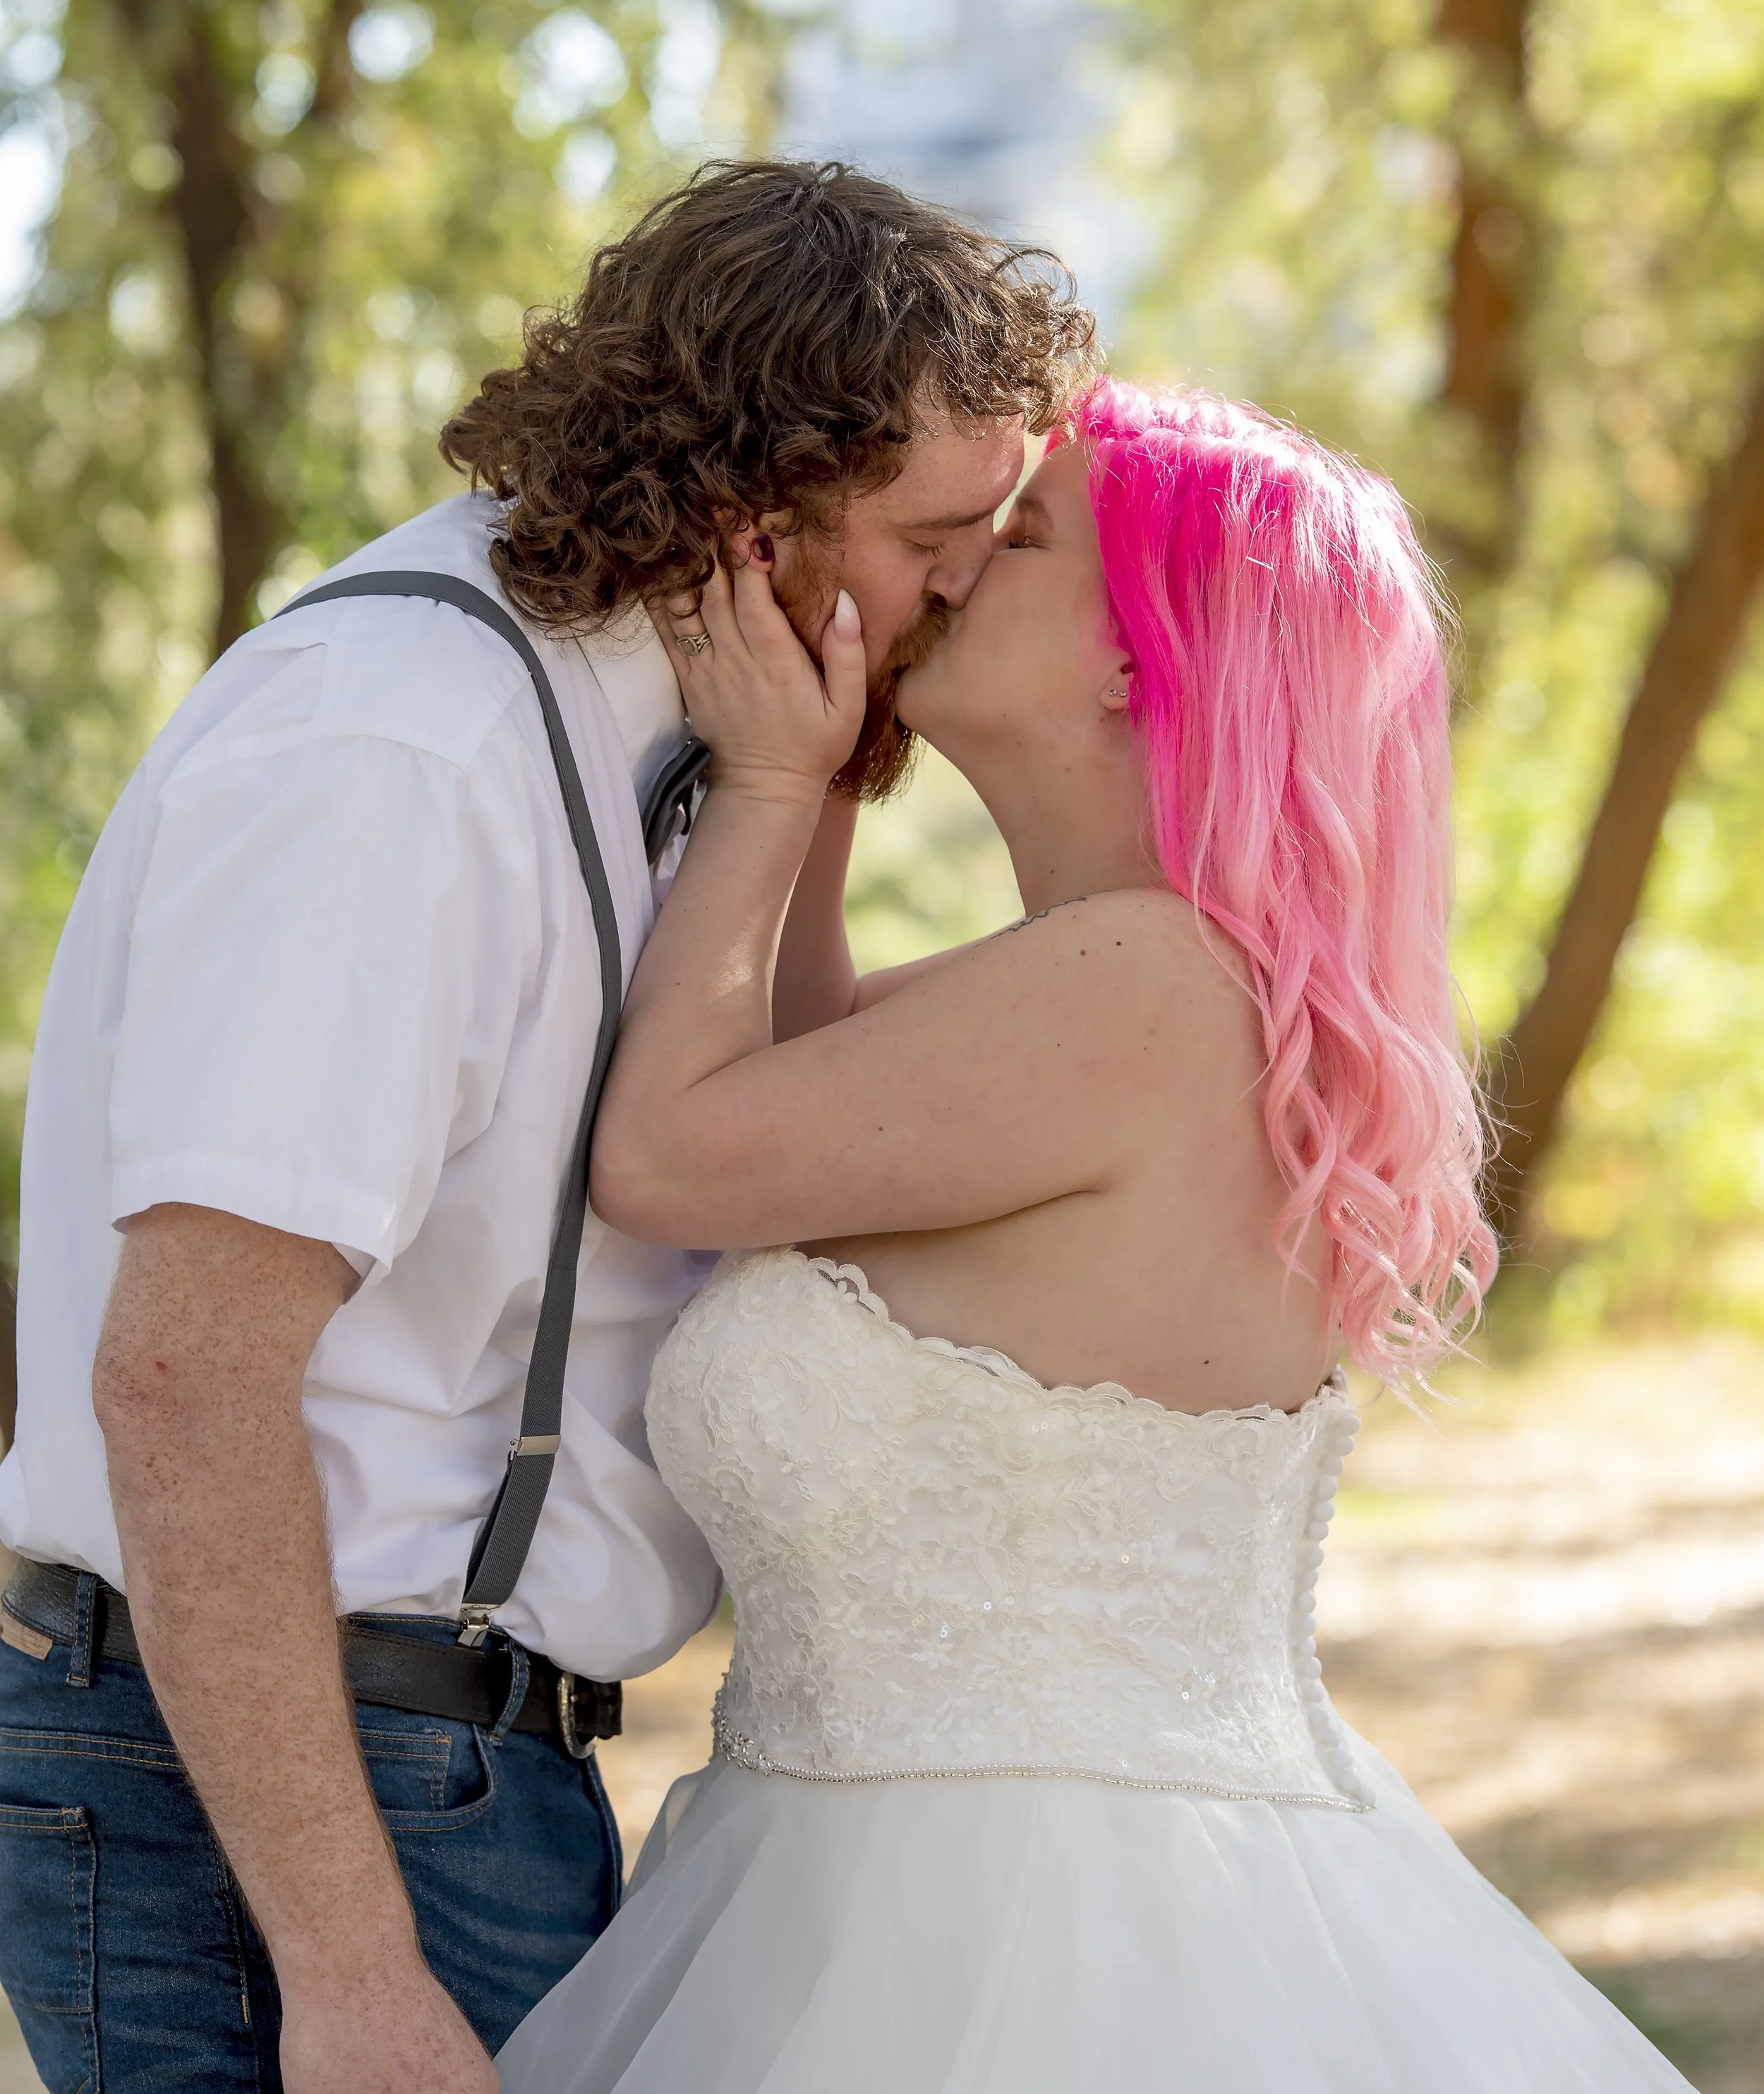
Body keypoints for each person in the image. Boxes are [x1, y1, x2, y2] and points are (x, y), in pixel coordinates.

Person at [0, 157, 1094, 2094]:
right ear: (757, 512)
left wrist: (810, 785)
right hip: (272, 1788)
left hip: (444, 1758)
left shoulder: (656, 732)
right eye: (940, 532)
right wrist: (344, 1972)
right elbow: (181, 1374)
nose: (960, 584)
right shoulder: (401, 755)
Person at [497, 380, 1691, 2093]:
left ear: (1145, 659)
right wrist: (832, 769)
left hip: (1033, 1937)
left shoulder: (1136, 987)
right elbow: (789, 1095)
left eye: (1021, 536)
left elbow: (675, 1156)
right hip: (916, 1882)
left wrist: (766, 777)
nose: (957, 570)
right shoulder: (1145, 986)